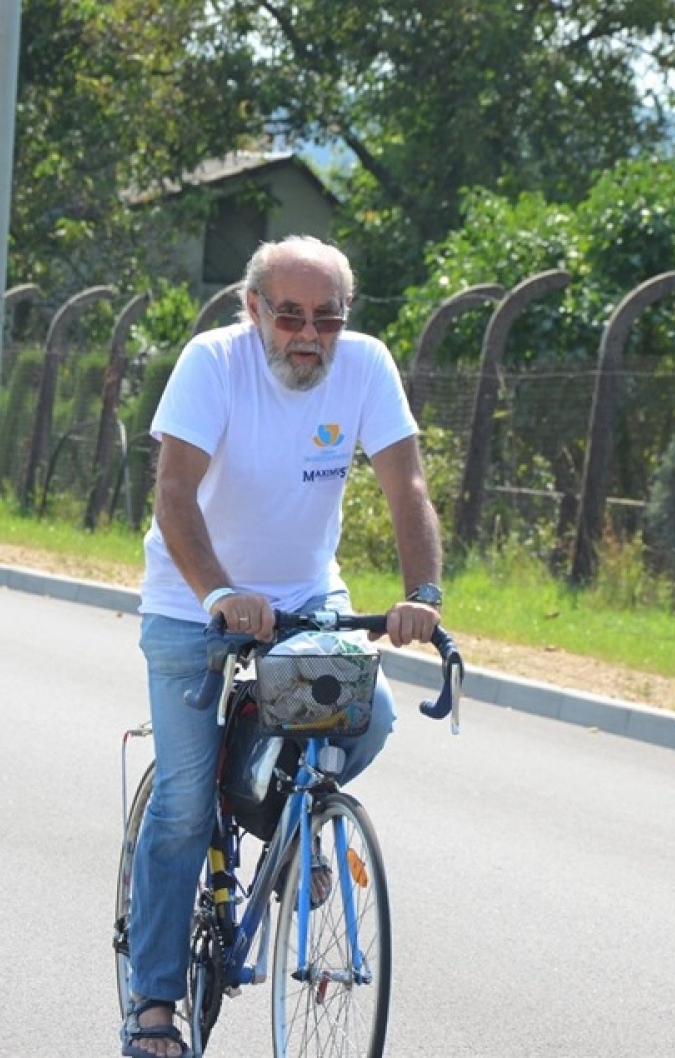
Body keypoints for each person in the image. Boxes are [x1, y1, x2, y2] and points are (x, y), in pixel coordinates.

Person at [121, 235, 444, 1058]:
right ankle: (154, 1003)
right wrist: (219, 593)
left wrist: (422, 595)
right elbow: (174, 493)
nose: (308, 335)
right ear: (253, 309)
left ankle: (288, 822)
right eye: (290, 316)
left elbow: (406, 483)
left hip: (305, 600)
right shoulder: (213, 363)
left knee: (369, 717)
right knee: (186, 803)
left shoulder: (365, 365)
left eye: (326, 318)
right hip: (193, 602)